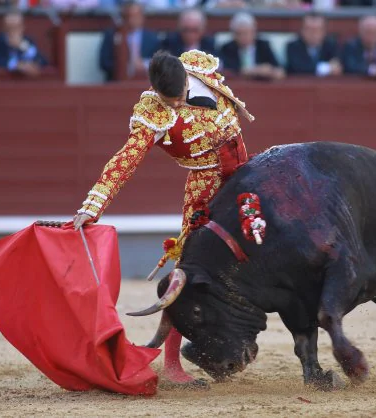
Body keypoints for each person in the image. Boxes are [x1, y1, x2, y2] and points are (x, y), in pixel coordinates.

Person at [72, 50, 254, 386]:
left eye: (177, 98)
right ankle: (172, 364)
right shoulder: (152, 114)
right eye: (167, 101)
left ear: (187, 78)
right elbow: (124, 160)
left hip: (247, 177)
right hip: (206, 191)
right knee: (187, 271)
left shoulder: (199, 67)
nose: (174, 107)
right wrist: (91, 207)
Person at [99, 2, 160, 81]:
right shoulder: (112, 35)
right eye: (128, 16)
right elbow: (104, 63)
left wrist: (144, 64)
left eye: (136, 16)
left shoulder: (152, 38)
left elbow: (159, 63)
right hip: (117, 83)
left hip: (144, 83)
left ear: (142, 17)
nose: (132, 20)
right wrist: (126, 67)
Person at [220, 12, 285, 80]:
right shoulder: (227, 48)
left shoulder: (263, 46)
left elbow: (280, 71)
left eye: (246, 33)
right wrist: (255, 70)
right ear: (233, 35)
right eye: (239, 33)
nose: (243, 37)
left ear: (254, 32)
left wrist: (271, 72)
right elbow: (227, 70)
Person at [0, 11, 47, 77]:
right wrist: (15, 65)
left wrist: (23, 46)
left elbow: (42, 60)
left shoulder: (28, 42)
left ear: (22, 27)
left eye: (16, 27)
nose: (12, 31)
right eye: (9, 28)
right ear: (4, 28)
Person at [285, 12, 341, 76]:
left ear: (324, 31)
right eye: (309, 29)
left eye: (317, 30)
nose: (313, 34)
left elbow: (337, 66)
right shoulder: (292, 46)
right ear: (302, 30)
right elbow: (297, 68)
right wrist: (326, 68)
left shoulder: (332, 45)